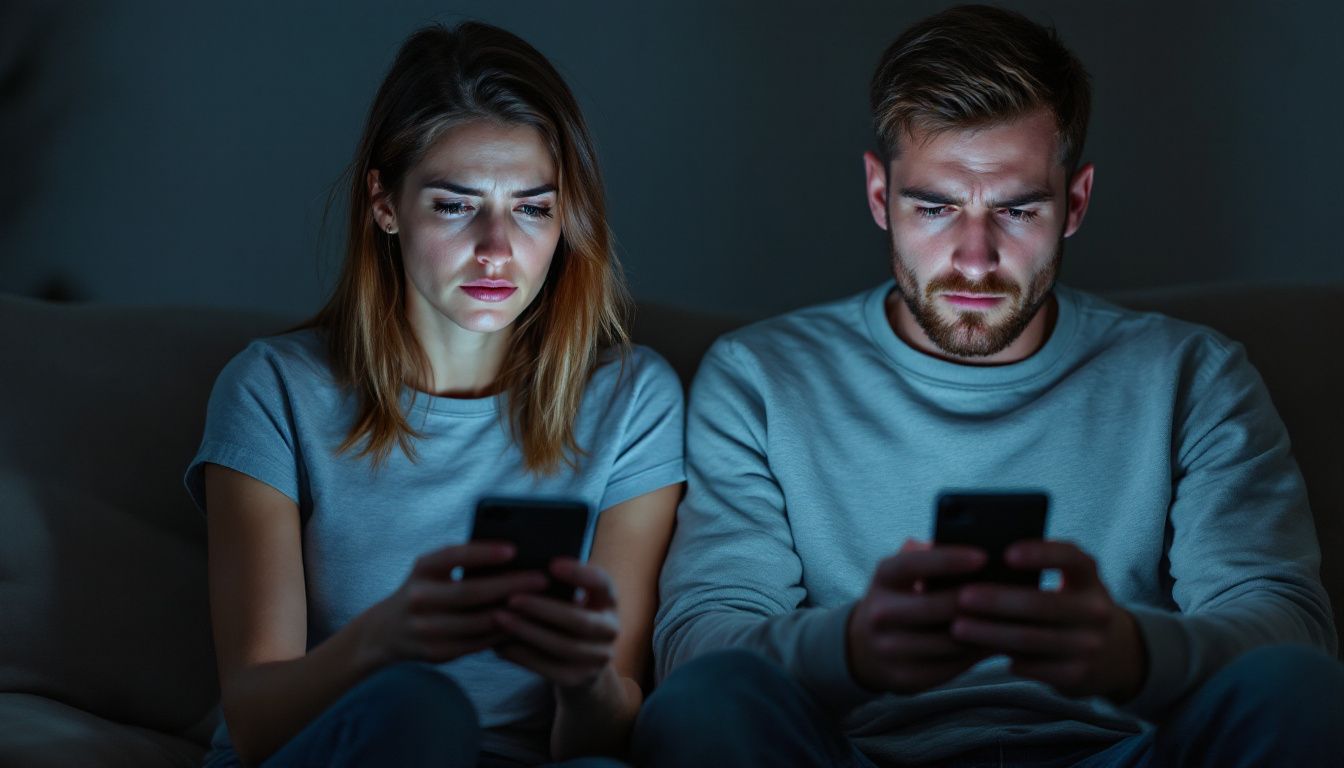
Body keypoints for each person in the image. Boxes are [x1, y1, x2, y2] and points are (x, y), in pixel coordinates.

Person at [635, 5, 1342, 767]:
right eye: (935, 207)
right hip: (856, 758)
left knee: (1296, 690)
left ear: (1074, 202)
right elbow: (698, 644)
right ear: (880, 197)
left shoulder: (1194, 377)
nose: (975, 259)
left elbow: (1292, 628)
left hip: (1124, 756)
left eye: (1016, 209)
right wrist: (850, 648)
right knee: (703, 704)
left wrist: (1135, 653)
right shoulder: (760, 378)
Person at [185, 22, 684, 767]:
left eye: (533, 207)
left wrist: (586, 684)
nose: (497, 248)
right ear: (384, 204)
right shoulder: (274, 390)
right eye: (456, 205)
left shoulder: (631, 401)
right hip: (349, 750)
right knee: (421, 705)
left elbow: (599, 737)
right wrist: (386, 639)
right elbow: (254, 722)